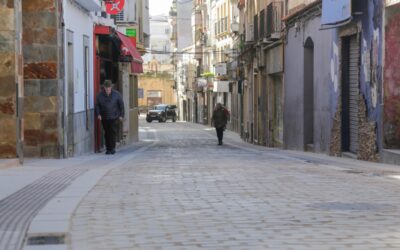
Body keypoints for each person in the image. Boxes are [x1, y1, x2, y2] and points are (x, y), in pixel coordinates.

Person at [95, 80, 125, 155]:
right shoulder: (100, 95)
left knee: (113, 132)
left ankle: (112, 148)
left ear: (111, 87)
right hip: (104, 117)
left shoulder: (117, 94)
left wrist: (121, 115)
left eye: (109, 88)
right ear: (104, 88)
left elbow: (121, 105)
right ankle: (108, 149)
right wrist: (98, 114)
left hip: (114, 117)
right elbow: (97, 105)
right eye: (106, 88)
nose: (108, 89)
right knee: (107, 133)